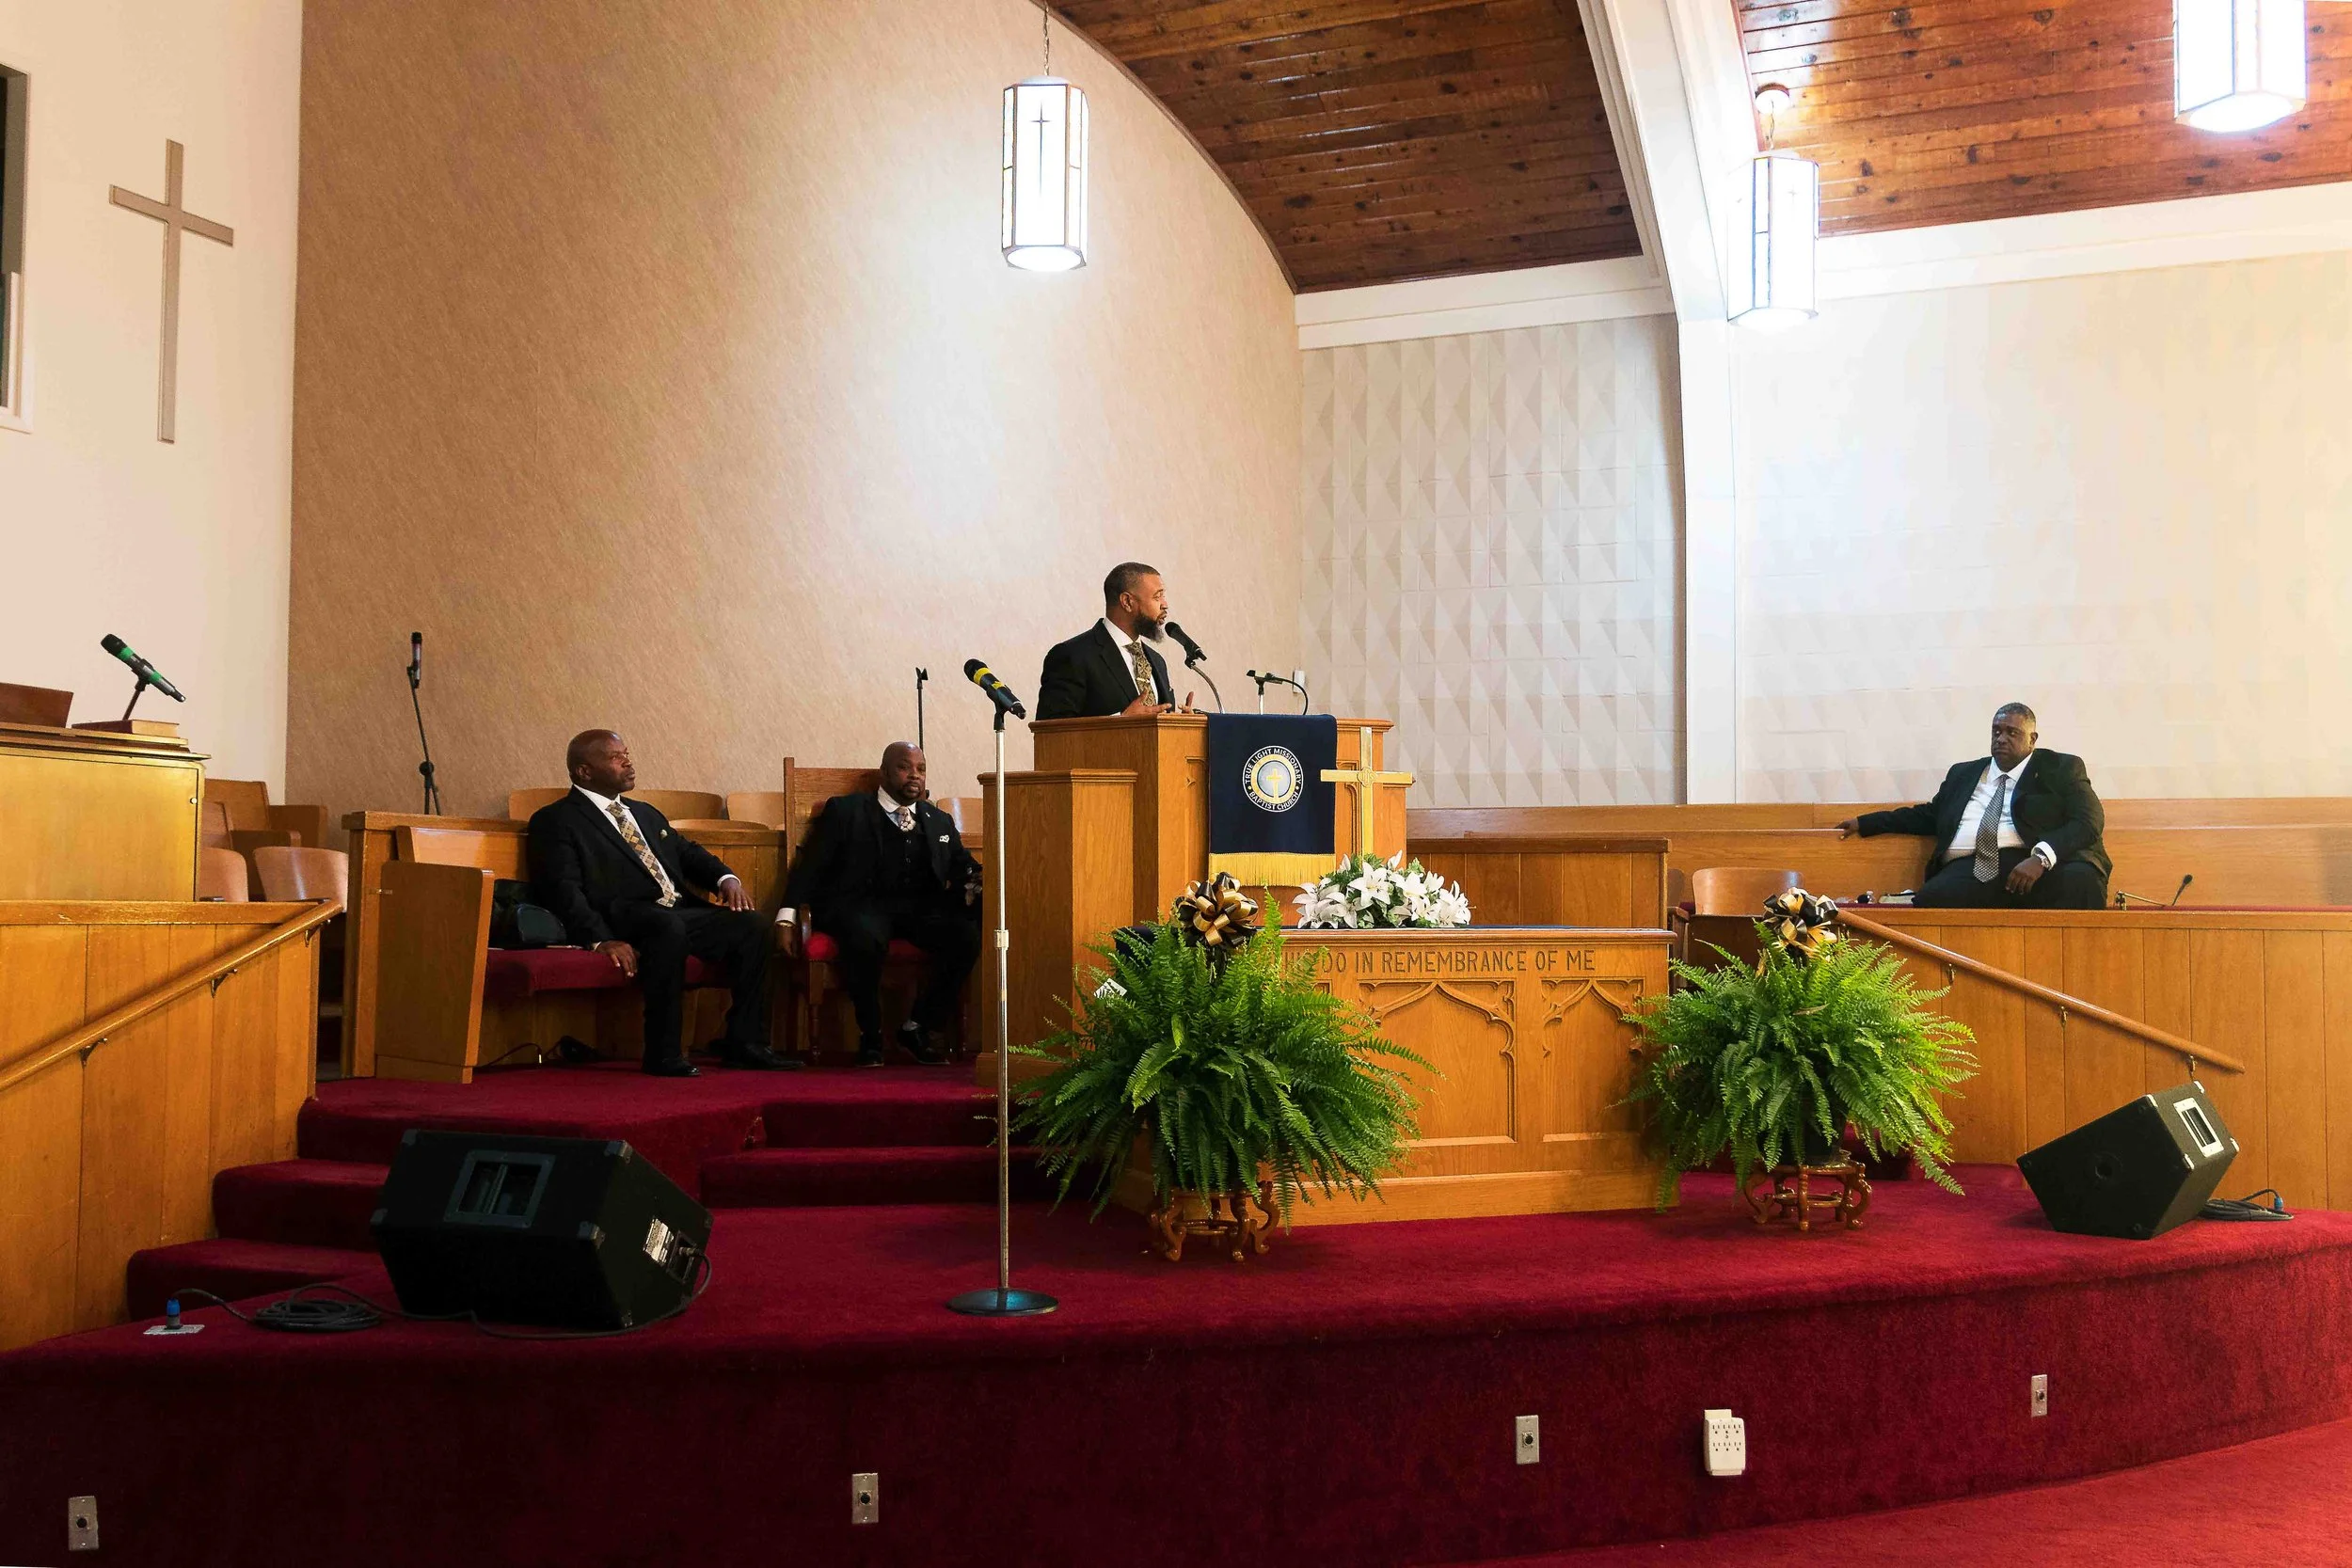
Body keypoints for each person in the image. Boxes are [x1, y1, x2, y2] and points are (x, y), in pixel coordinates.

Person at [528, 730, 796, 1077]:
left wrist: (726, 879)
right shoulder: (557, 820)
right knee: (667, 927)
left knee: (753, 925)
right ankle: (664, 1053)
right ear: (584, 772)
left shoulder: (645, 814)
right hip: (625, 916)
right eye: (614, 757)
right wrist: (598, 939)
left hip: (677, 912)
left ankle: (746, 1043)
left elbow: (687, 853)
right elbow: (562, 888)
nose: (628, 761)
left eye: (626, 753)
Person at [779, 741, 980, 1068]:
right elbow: (810, 867)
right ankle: (870, 1035)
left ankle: (917, 1027)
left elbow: (963, 868)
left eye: (921, 769)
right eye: (905, 767)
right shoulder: (846, 811)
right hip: (860, 907)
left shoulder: (938, 821)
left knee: (965, 936)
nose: (914, 775)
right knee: (866, 935)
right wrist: (787, 916)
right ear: (884, 772)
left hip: (918, 911)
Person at [1836, 704, 2111, 910]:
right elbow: (1929, 815)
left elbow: (2089, 821)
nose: (2001, 738)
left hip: (2035, 864)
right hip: (1973, 867)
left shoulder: (2060, 768)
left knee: (2081, 881)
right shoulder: (1964, 774)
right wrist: (1866, 822)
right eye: (1997, 731)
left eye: (2012, 732)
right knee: (1931, 900)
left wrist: (2041, 858)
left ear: (2032, 739)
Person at [1035, 562, 1188, 721]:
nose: (1165, 604)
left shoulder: (1157, 661)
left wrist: (1182, 725)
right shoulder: (1072, 656)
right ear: (1127, 602)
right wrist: (1120, 720)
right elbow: (1050, 733)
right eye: (1157, 596)